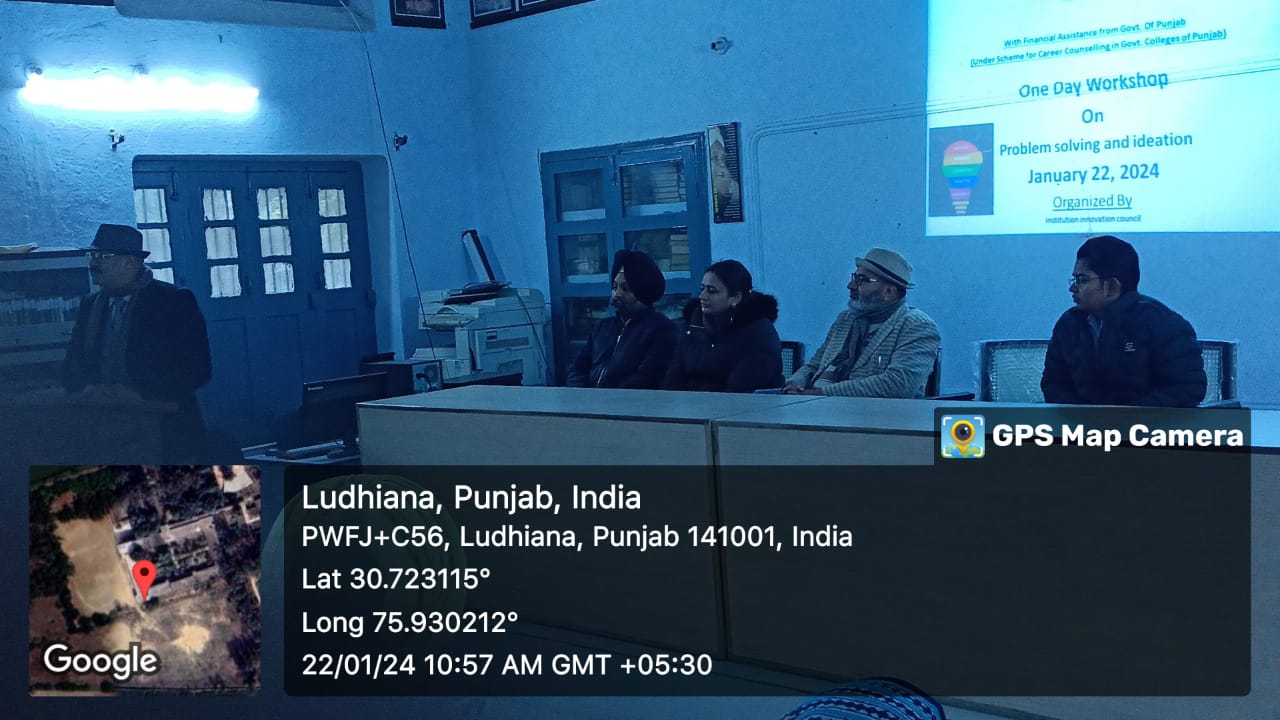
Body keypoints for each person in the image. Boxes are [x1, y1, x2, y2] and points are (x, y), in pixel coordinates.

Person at [63, 224, 213, 458]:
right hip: (105, 427)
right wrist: (86, 389)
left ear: (131, 262)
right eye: (92, 255)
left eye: (104, 256)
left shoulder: (173, 302)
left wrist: (140, 395)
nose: (94, 263)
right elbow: (74, 361)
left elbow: (198, 369)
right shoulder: (90, 305)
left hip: (165, 427)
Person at [1041, 235, 1205, 407]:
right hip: (1082, 424)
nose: (1072, 288)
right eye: (1074, 279)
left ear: (1112, 286)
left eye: (1082, 280)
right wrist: (1084, 416)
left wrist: (1126, 417)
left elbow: (1188, 388)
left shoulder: (1164, 325)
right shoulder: (1069, 324)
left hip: (1146, 423)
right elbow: (1053, 383)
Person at [783, 248, 940, 397]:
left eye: (861, 280)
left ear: (889, 292)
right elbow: (815, 365)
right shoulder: (846, 319)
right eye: (854, 277)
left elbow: (899, 384)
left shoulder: (917, 326)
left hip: (869, 413)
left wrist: (820, 394)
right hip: (813, 404)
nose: (850, 286)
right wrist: (795, 383)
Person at [663, 259, 782, 393]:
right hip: (691, 403)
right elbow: (674, 377)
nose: (702, 296)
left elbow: (742, 387)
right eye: (702, 289)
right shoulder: (694, 325)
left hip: (742, 404)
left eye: (711, 291)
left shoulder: (759, 331)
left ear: (735, 298)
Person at [566, 249, 677, 389]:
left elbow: (647, 379)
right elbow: (577, 368)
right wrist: (581, 393)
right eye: (614, 287)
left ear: (643, 292)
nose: (616, 294)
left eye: (625, 288)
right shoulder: (603, 327)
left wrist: (608, 398)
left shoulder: (662, 330)